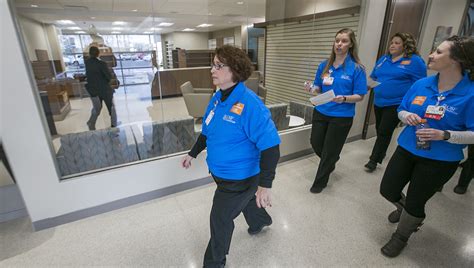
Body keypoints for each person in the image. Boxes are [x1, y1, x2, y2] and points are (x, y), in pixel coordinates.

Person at [180, 45, 280, 267]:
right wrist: (192, 153)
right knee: (244, 202)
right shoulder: (217, 98)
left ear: (234, 70)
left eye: (218, 65)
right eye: (213, 64)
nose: (212, 70)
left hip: (240, 178)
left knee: (220, 218)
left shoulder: (252, 105)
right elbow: (207, 131)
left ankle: (214, 263)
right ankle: (261, 220)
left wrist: (265, 185)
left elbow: (271, 147)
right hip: (221, 173)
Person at [379, 35, 474, 258]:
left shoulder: (470, 93)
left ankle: (402, 235)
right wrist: (407, 115)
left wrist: (446, 135)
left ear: (457, 60)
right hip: (407, 147)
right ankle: (404, 212)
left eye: (439, 52)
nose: (431, 55)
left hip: (441, 159)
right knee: (388, 189)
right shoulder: (422, 84)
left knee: (415, 200)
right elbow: (401, 109)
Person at [304, 28, 367, 193]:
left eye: (344, 41)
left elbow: (360, 95)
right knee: (316, 143)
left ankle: (320, 182)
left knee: (329, 150)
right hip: (322, 110)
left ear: (351, 44)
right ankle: (331, 160)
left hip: (341, 116)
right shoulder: (324, 65)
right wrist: (311, 88)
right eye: (337, 40)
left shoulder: (357, 69)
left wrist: (344, 98)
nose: (339, 44)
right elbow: (318, 87)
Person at [365, 33, 427, 172]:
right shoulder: (384, 59)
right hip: (379, 101)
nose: (392, 45)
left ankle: (374, 160)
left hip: (396, 103)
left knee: (384, 131)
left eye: (397, 43)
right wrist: (364, 87)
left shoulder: (415, 61)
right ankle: (381, 151)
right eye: (392, 42)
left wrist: (413, 104)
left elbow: (420, 85)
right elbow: (373, 76)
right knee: (380, 130)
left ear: (406, 45)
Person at [85, 46, 117, 130]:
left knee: (96, 108)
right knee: (111, 107)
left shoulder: (87, 63)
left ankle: (91, 123)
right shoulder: (102, 64)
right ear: (98, 53)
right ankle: (114, 125)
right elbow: (108, 77)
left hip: (93, 90)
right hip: (104, 89)